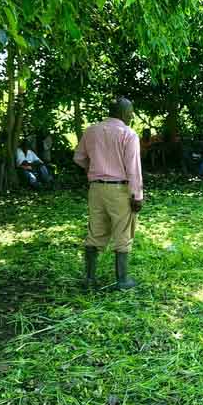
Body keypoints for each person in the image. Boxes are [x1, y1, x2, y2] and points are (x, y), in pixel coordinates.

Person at [73, 98, 143, 290]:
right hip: (119, 190)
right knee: (123, 232)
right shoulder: (128, 134)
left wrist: (93, 170)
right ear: (122, 113)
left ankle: (89, 279)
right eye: (130, 111)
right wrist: (137, 196)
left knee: (95, 231)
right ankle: (122, 280)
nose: (132, 115)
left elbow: (78, 157)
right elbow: (133, 169)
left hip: (96, 188)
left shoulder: (91, 131)